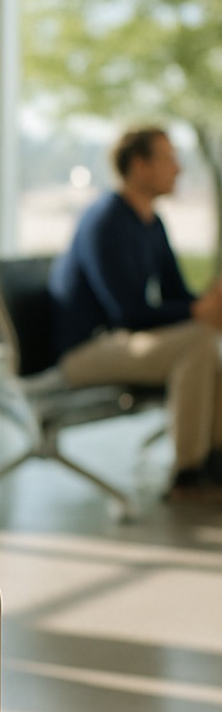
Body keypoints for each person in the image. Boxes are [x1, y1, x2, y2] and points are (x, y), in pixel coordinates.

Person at [49, 124, 222, 501]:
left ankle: (214, 465)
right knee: (197, 344)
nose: (178, 169)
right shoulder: (106, 221)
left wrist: (207, 306)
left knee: (210, 338)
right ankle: (188, 475)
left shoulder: (152, 222)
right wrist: (199, 311)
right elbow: (128, 312)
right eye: (169, 159)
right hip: (85, 351)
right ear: (140, 165)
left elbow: (177, 295)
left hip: (123, 341)